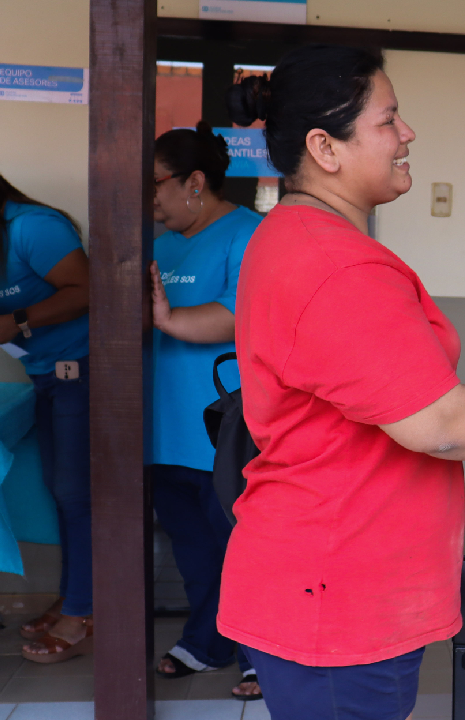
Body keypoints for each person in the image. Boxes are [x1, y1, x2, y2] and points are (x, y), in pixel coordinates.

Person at [219, 45, 465, 720]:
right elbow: (441, 423)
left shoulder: (295, 237)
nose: (407, 135)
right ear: (326, 147)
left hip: (333, 582)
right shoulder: (334, 265)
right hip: (337, 596)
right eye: (389, 120)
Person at [147, 122, 263, 701]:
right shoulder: (154, 242)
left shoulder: (251, 234)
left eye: (157, 185)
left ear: (195, 181)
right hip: (161, 427)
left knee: (242, 548)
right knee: (192, 548)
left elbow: (244, 317)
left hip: (227, 429)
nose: (151, 201)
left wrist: (169, 320)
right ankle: (208, 641)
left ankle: (259, 656)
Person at [0, 155, 93, 664]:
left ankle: (86, 610)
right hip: (45, 376)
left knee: (78, 493)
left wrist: (20, 320)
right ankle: (74, 596)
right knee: (61, 492)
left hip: (85, 372)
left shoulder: (31, 227)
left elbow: (92, 290)